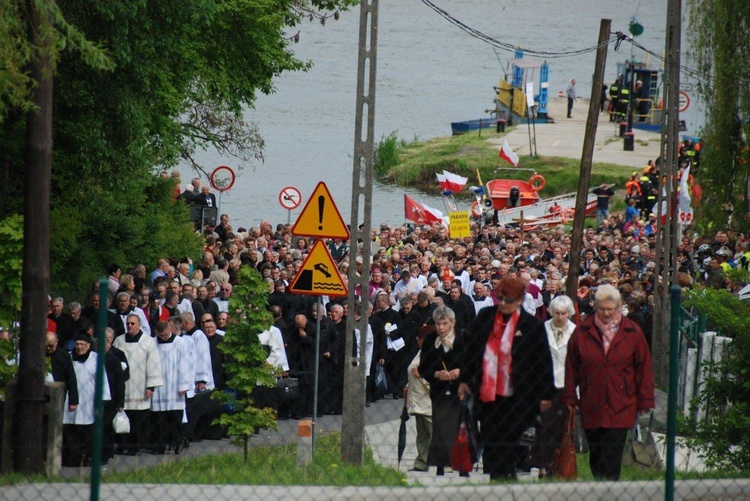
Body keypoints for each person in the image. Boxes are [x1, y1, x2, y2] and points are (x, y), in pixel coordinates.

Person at [458, 276, 555, 480]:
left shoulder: (531, 326)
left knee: (511, 436)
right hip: (487, 390)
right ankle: (499, 477)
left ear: (519, 300)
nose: (502, 303)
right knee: (491, 436)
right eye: (500, 298)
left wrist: (546, 395)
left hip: (519, 393)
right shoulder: (485, 317)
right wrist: (465, 380)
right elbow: (472, 350)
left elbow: (543, 362)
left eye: (508, 300)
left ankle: (506, 474)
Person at [562, 284, 655, 481]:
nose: (606, 313)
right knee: (596, 453)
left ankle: (610, 490)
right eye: (602, 309)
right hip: (591, 399)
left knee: (612, 452)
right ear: (595, 306)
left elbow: (644, 367)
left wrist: (645, 399)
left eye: (610, 309)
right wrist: (570, 396)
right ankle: (600, 487)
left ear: (619, 306)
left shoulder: (632, 332)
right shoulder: (582, 331)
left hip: (622, 400)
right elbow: (571, 366)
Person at [527, 295, 576, 476]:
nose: (560, 317)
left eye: (563, 314)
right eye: (556, 313)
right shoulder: (542, 329)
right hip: (544, 385)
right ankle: (541, 465)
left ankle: (555, 464)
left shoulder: (575, 331)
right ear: (551, 312)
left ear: (569, 314)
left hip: (565, 384)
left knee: (560, 426)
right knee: (543, 424)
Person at [418, 306, 467, 477]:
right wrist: (437, 374)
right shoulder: (431, 339)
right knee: (440, 427)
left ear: (452, 323)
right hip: (439, 391)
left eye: (444, 323)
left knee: (462, 428)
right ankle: (440, 466)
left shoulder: (463, 337)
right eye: (438, 323)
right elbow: (424, 367)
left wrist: (460, 372)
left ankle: (462, 467)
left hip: (461, 390)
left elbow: (474, 362)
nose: (441, 327)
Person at [113, 313, 164, 455]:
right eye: (128, 323)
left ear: (139, 325)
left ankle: (134, 445)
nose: (129, 326)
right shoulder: (119, 341)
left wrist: (151, 386)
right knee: (122, 415)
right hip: (123, 384)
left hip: (140, 385)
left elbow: (153, 364)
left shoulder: (148, 342)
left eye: (132, 323)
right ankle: (122, 443)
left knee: (137, 419)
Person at [62, 333, 111, 467]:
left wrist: (103, 400)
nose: (79, 347)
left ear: (89, 345)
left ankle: (86, 458)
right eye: (77, 344)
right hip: (71, 399)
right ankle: (71, 459)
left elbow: (102, 381)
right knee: (70, 429)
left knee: (86, 430)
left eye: (83, 344)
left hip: (89, 399)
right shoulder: (69, 358)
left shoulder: (96, 359)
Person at [151, 321, 192, 454]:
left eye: (165, 334)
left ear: (170, 329)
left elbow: (185, 364)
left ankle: (177, 441)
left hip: (175, 384)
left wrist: (183, 385)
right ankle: (161, 444)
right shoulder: (153, 342)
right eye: (160, 335)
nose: (163, 337)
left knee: (175, 416)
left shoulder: (180, 343)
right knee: (160, 417)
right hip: (159, 384)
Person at [404, 325, 434, 473]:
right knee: (422, 435)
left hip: (429, 402)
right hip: (417, 401)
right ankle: (422, 463)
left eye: (419, 338)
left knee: (435, 433)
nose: (417, 341)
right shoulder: (421, 353)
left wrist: (422, 376)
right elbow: (413, 370)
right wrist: (408, 384)